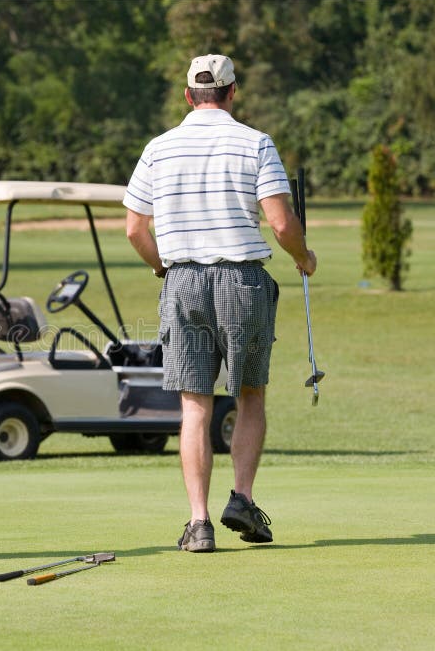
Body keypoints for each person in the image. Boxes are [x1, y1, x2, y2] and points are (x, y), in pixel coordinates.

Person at [124, 54, 317, 552]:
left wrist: (163, 266)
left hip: (183, 280)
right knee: (250, 393)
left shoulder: (158, 148)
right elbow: (279, 223)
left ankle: (198, 523)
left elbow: (134, 228)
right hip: (241, 280)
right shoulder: (255, 142)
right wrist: (304, 256)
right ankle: (243, 499)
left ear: (188, 96)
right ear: (233, 93)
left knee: (195, 405)